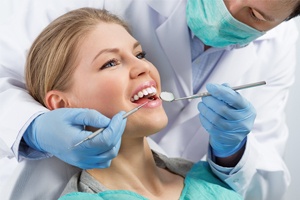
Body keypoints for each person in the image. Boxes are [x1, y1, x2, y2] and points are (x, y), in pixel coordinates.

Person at [0, 0, 299, 199]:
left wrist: (232, 152)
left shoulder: (282, 49)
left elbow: (267, 177)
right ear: (61, 104)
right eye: (110, 63)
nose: (144, 66)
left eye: (141, 54)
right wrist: (34, 128)